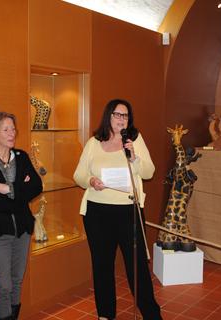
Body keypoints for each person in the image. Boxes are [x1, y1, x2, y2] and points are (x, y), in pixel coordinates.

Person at [73, 99, 162, 320]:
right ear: (108, 117)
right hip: (97, 213)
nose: (122, 119)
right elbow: (79, 175)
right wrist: (91, 180)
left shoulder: (134, 139)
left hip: (128, 212)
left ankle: (152, 315)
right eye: (117, 115)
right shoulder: (94, 142)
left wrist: (134, 157)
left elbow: (149, 171)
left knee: (137, 267)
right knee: (102, 266)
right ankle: (105, 315)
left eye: (125, 116)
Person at [0, 112, 42, 320]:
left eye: (13, 129)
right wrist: (21, 191)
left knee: (17, 280)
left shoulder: (21, 156)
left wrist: (9, 189)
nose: (12, 133)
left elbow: (37, 186)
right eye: (6, 129)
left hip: (22, 229)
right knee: (3, 284)